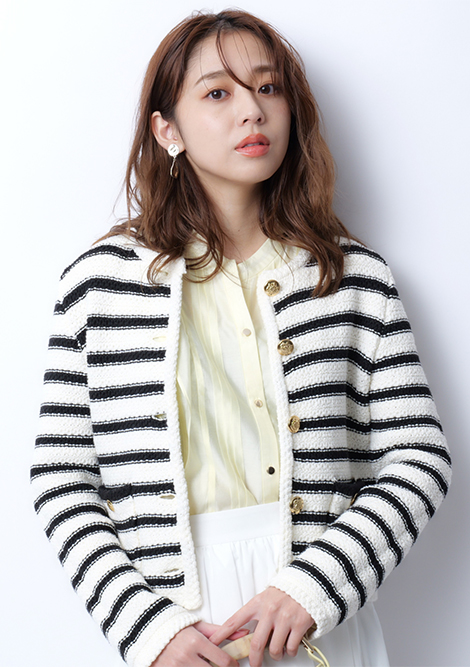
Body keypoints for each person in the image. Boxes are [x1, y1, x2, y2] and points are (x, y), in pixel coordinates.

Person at [31, 9, 451, 667]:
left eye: (268, 87)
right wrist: (149, 630)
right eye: (218, 93)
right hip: (174, 620)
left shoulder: (353, 277)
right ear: (167, 130)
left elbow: (419, 457)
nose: (252, 111)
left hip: (318, 613)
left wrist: (316, 585)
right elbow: (61, 477)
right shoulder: (100, 284)